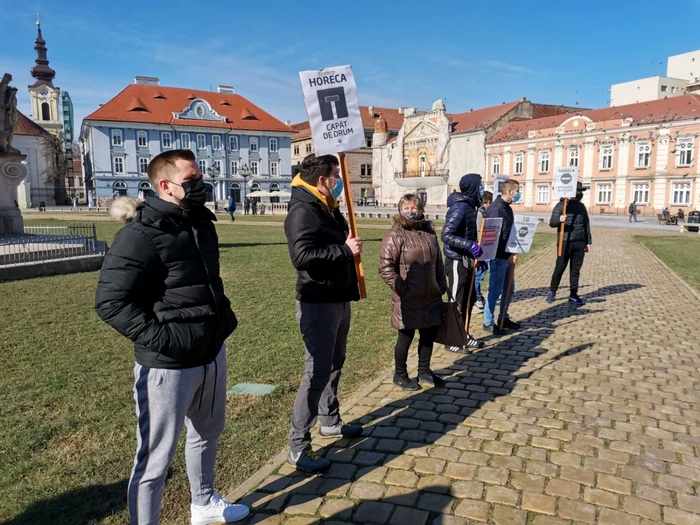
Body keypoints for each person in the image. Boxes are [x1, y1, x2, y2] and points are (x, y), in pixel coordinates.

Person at [94, 149, 248, 525]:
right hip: (168, 365)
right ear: (166, 186)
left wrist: (221, 322)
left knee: (207, 434)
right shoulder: (139, 235)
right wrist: (166, 341)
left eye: (200, 178)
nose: (201, 186)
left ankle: (204, 503)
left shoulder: (201, 224)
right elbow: (110, 302)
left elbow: (206, 284)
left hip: (211, 351)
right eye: (191, 180)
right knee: (154, 458)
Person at [284, 154, 363, 473]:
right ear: (322, 180)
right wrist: (345, 251)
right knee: (316, 371)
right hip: (318, 302)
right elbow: (302, 256)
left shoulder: (325, 204)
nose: (339, 183)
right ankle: (298, 445)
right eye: (336, 177)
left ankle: (329, 421)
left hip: (337, 297)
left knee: (335, 363)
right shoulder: (303, 209)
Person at [379, 194, 447, 391]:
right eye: (406, 207)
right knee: (406, 336)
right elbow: (386, 268)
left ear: (421, 209)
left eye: (414, 207)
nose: (411, 211)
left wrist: (441, 285)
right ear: (400, 210)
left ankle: (424, 370)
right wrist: (402, 289)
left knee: (428, 334)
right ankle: (400, 374)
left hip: (431, 294)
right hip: (408, 297)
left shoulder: (429, 233)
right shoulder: (395, 234)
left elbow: (439, 263)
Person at [440, 173, 486, 352]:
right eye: (480, 184)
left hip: (467, 260)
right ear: (473, 187)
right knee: (456, 301)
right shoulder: (459, 208)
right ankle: (451, 340)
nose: (482, 187)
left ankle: (463, 333)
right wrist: (469, 245)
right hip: (456, 261)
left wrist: (477, 255)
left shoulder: (471, 206)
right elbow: (446, 235)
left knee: (468, 299)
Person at [483, 179, 521, 334]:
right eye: (517, 191)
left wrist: (514, 250)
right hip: (499, 258)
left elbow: (510, 233)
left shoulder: (507, 208)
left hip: (508, 255)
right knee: (495, 290)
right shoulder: (495, 209)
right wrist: (506, 256)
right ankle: (488, 321)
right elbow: (492, 239)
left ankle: (503, 317)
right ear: (510, 191)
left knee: (509, 290)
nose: (519, 194)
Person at [546, 182, 592, 306]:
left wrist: (588, 242)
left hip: (579, 241)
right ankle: (552, 291)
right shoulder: (561, 205)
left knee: (575, 270)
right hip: (564, 241)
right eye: (577, 191)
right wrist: (559, 219)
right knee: (560, 267)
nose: (579, 194)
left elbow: (586, 224)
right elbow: (552, 222)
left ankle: (573, 293)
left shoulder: (581, 206)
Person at [474, 190, 493, 311]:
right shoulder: (480, 213)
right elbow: (479, 231)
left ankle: (479, 297)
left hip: (486, 246)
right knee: (479, 274)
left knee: (483, 272)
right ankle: (477, 298)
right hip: (482, 247)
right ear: (489, 202)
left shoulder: (484, 211)